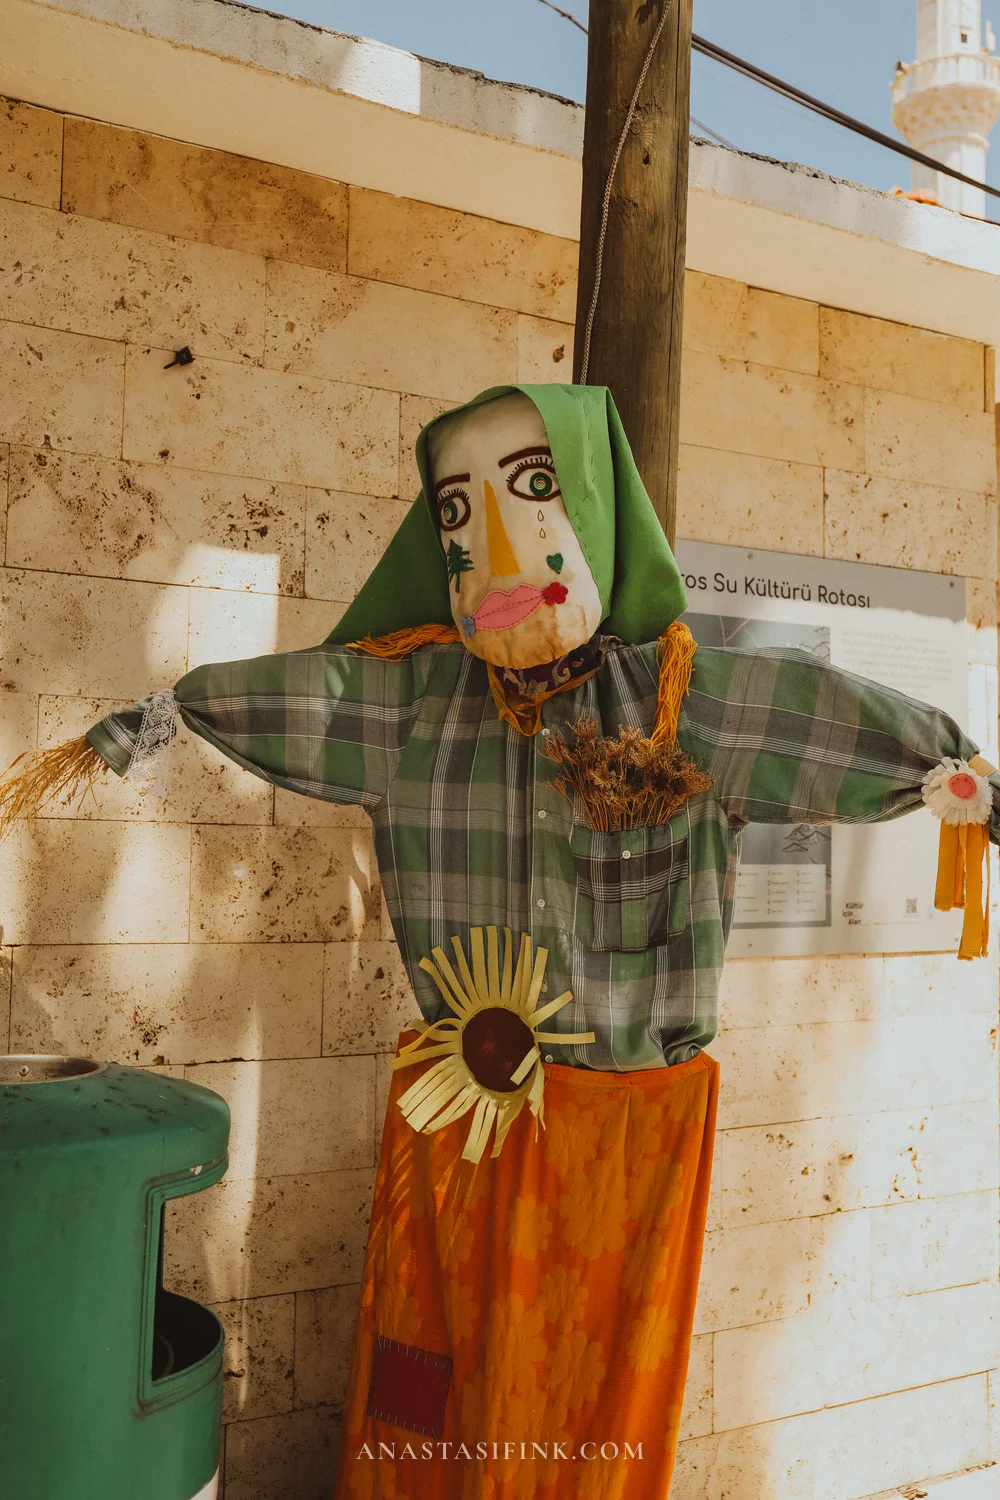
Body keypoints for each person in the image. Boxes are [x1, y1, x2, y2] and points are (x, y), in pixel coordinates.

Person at [3, 384, 996, 1499]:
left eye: (534, 489)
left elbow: (835, 721)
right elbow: (288, 696)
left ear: (597, 511)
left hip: (622, 1145)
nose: (497, 547)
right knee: (432, 1381)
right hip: (458, 1120)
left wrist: (954, 772)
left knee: (588, 1407)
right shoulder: (413, 708)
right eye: (456, 513)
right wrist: (159, 718)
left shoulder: (688, 705)